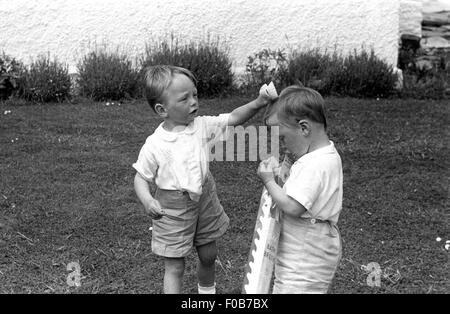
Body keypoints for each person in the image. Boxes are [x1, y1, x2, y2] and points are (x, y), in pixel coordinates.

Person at [133, 65, 274, 294]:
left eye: (195, 95)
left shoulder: (201, 126)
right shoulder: (154, 144)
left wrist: (258, 102)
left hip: (204, 198)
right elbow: (140, 178)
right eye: (184, 98)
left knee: (209, 254)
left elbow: (234, 118)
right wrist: (148, 201)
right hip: (172, 208)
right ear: (162, 109)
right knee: (175, 265)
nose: (193, 102)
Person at [257, 86, 343, 294]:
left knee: (293, 289)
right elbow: (303, 190)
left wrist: (268, 181)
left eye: (284, 137)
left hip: (305, 247)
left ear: (304, 128)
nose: (284, 144)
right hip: (314, 242)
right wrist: (284, 172)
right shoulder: (325, 156)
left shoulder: (313, 165)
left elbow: (293, 206)